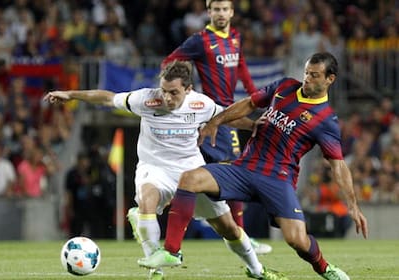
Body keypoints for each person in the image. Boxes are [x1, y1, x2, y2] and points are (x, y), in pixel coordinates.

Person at [44, 61, 283, 280]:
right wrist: (71, 94)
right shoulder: (145, 100)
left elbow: (225, 117)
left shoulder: (201, 103)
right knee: (148, 200)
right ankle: (156, 272)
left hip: (192, 169)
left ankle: (257, 270)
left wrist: (253, 125)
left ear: (188, 89)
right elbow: (108, 98)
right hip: (155, 168)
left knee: (229, 228)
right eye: (164, 90)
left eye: (173, 92)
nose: (166, 97)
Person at [138, 53, 368, 280]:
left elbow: (338, 165)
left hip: (278, 179)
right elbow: (249, 104)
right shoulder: (286, 86)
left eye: (315, 75)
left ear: (330, 79)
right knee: (189, 179)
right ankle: (172, 252)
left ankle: (325, 268)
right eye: (307, 72)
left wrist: (353, 205)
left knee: (296, 239)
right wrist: (215, 121)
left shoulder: (326, 121)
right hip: (244, 168)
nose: (307, 78)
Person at [162, 0, 272, 255]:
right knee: (231, 170)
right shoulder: (200, 40)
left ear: (231, 12)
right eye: (216, 9)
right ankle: (238, 234)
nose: (221, 14)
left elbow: (242, 68)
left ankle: (220, 223)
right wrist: (185, 92)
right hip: (213, 112)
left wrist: (256, 97)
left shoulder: (235, 37)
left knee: (213, 171)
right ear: (209, 12)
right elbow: (170, 62)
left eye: (225, 9)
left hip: (227, 112)